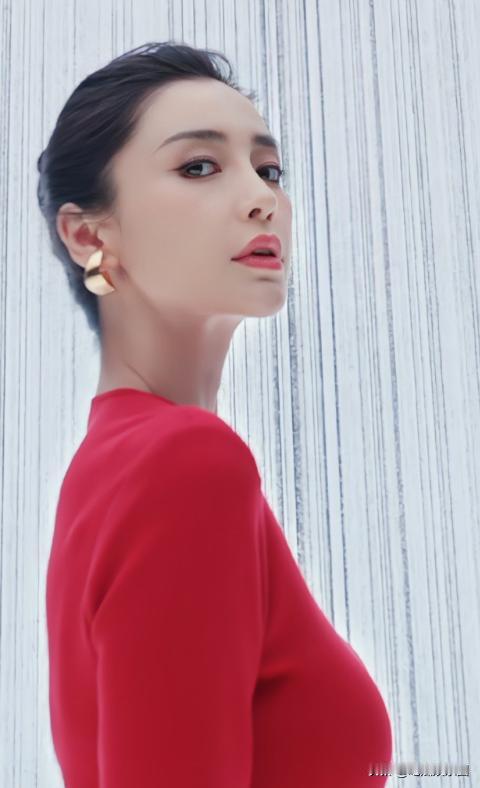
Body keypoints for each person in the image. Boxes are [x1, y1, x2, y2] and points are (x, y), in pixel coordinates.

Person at [38, 42, 393, 787]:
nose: (262, 199)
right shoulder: (186, 465)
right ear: (90, 235)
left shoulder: (115, 466)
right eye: (199, 166)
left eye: (269, 170)